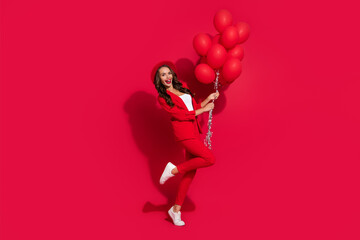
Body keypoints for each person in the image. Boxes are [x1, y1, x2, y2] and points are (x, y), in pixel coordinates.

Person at [152, 61, 219, 226]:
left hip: (194, 131)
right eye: (163, 75)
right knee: (209, 159)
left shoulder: (181, 88)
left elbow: (193, 108)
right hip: (184, 134)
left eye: (169, 73)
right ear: (159, 80)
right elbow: (180, 115)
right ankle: (173, 169)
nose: (167, 77)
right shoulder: (163, 98)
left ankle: (175, 210)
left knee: (191, 173)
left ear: (173, 74)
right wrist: (202, 110)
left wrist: (207, 100)